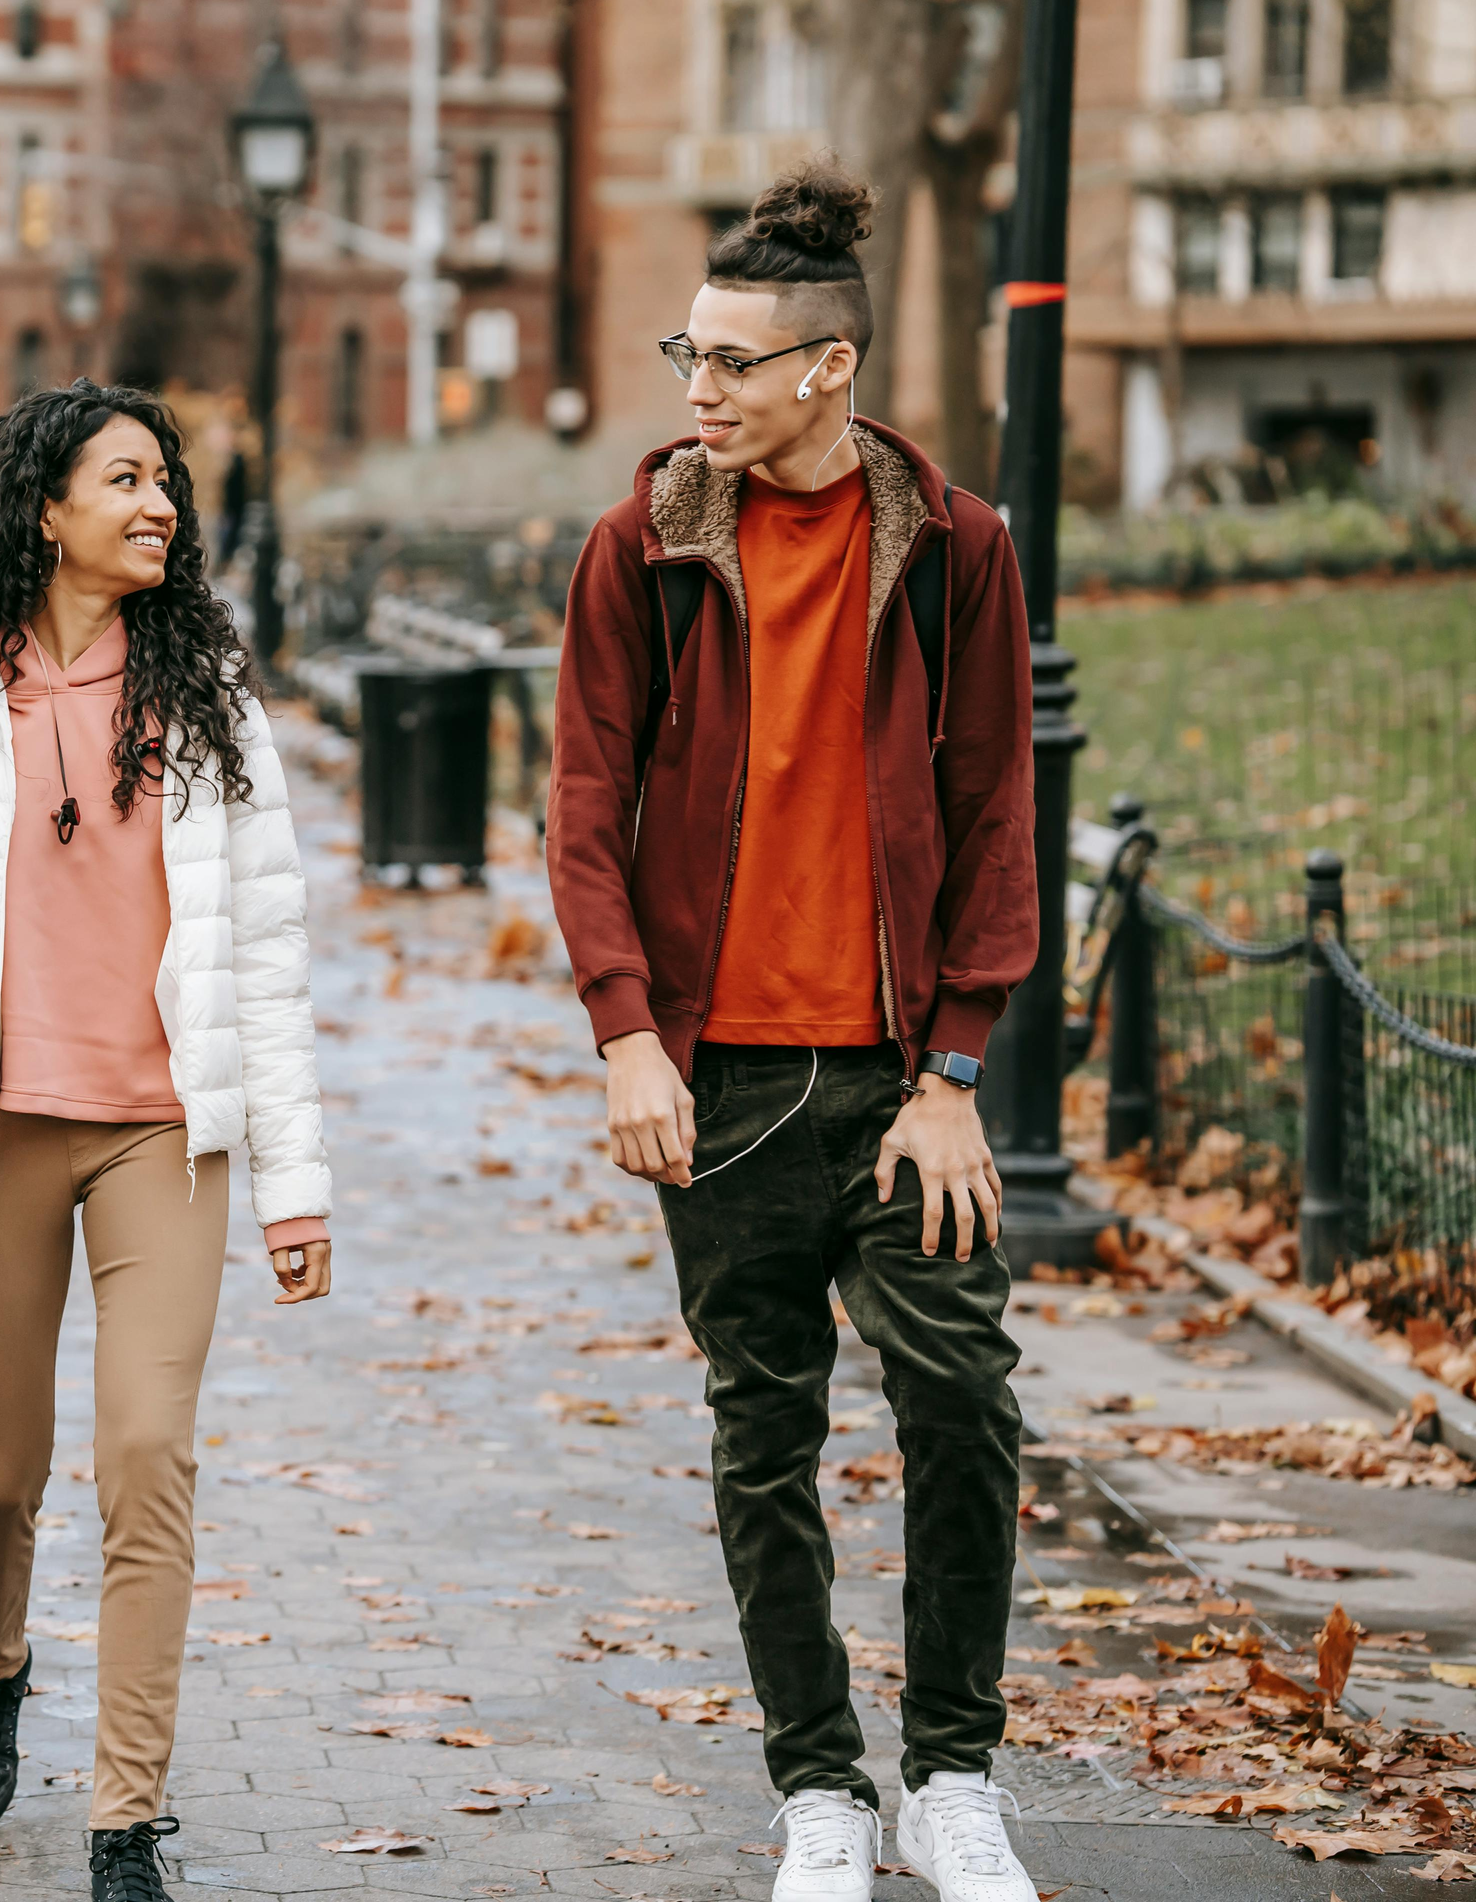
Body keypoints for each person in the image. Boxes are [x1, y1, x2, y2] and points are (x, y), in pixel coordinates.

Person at [544, 161, 1039, 1902]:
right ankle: (821, 1786)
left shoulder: (958, 552)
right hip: (725, 1083)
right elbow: (584, 809)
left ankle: (955, 1777)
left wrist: (960, 1070)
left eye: (735, 361)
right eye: (692, 349)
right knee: (763, 1431)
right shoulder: (646, 548)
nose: (700, 385)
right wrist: (625, 1035)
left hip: (907, 1088)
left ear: (831, 370)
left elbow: (993, 817)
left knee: (964, 1406)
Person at [0, 381, 334, 1902]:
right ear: (41, 510)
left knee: (145, 1454)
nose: (160, 504)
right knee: (0, 1473)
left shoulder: (210, 706)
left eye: (166, 479)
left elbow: (266, 952)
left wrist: (295, 1183)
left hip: (165, 1141)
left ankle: (129, 1816)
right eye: (125, 479)